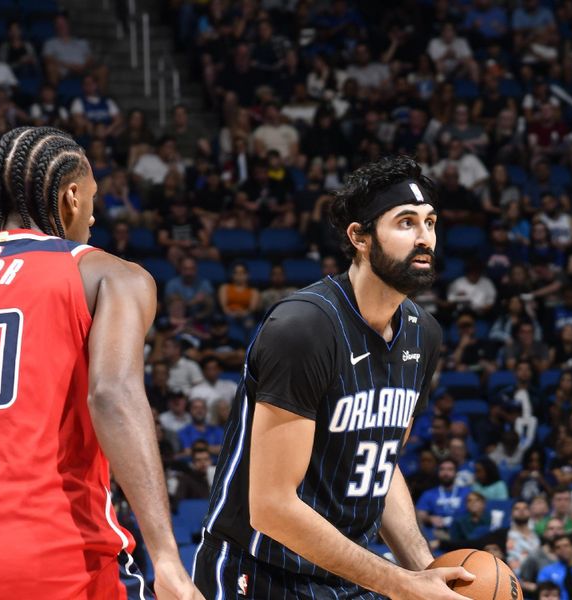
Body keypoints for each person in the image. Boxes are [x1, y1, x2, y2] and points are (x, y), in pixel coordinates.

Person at [193, 155, 476, 598]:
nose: (425, 239)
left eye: (430, 223)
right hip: (259, 571)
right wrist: (401, 584)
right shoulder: (304, 328)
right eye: (406, 223)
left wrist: (423, 567)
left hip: (346, 573)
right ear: (359, 237)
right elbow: (271, 507)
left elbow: (380, 466)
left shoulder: (425, 334)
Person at [0, 126, 200, 597]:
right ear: (72, 197)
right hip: (53, 554)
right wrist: (165, 556)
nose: (95, 217)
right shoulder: (108, 273)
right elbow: (112, 395)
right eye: (94, 200)